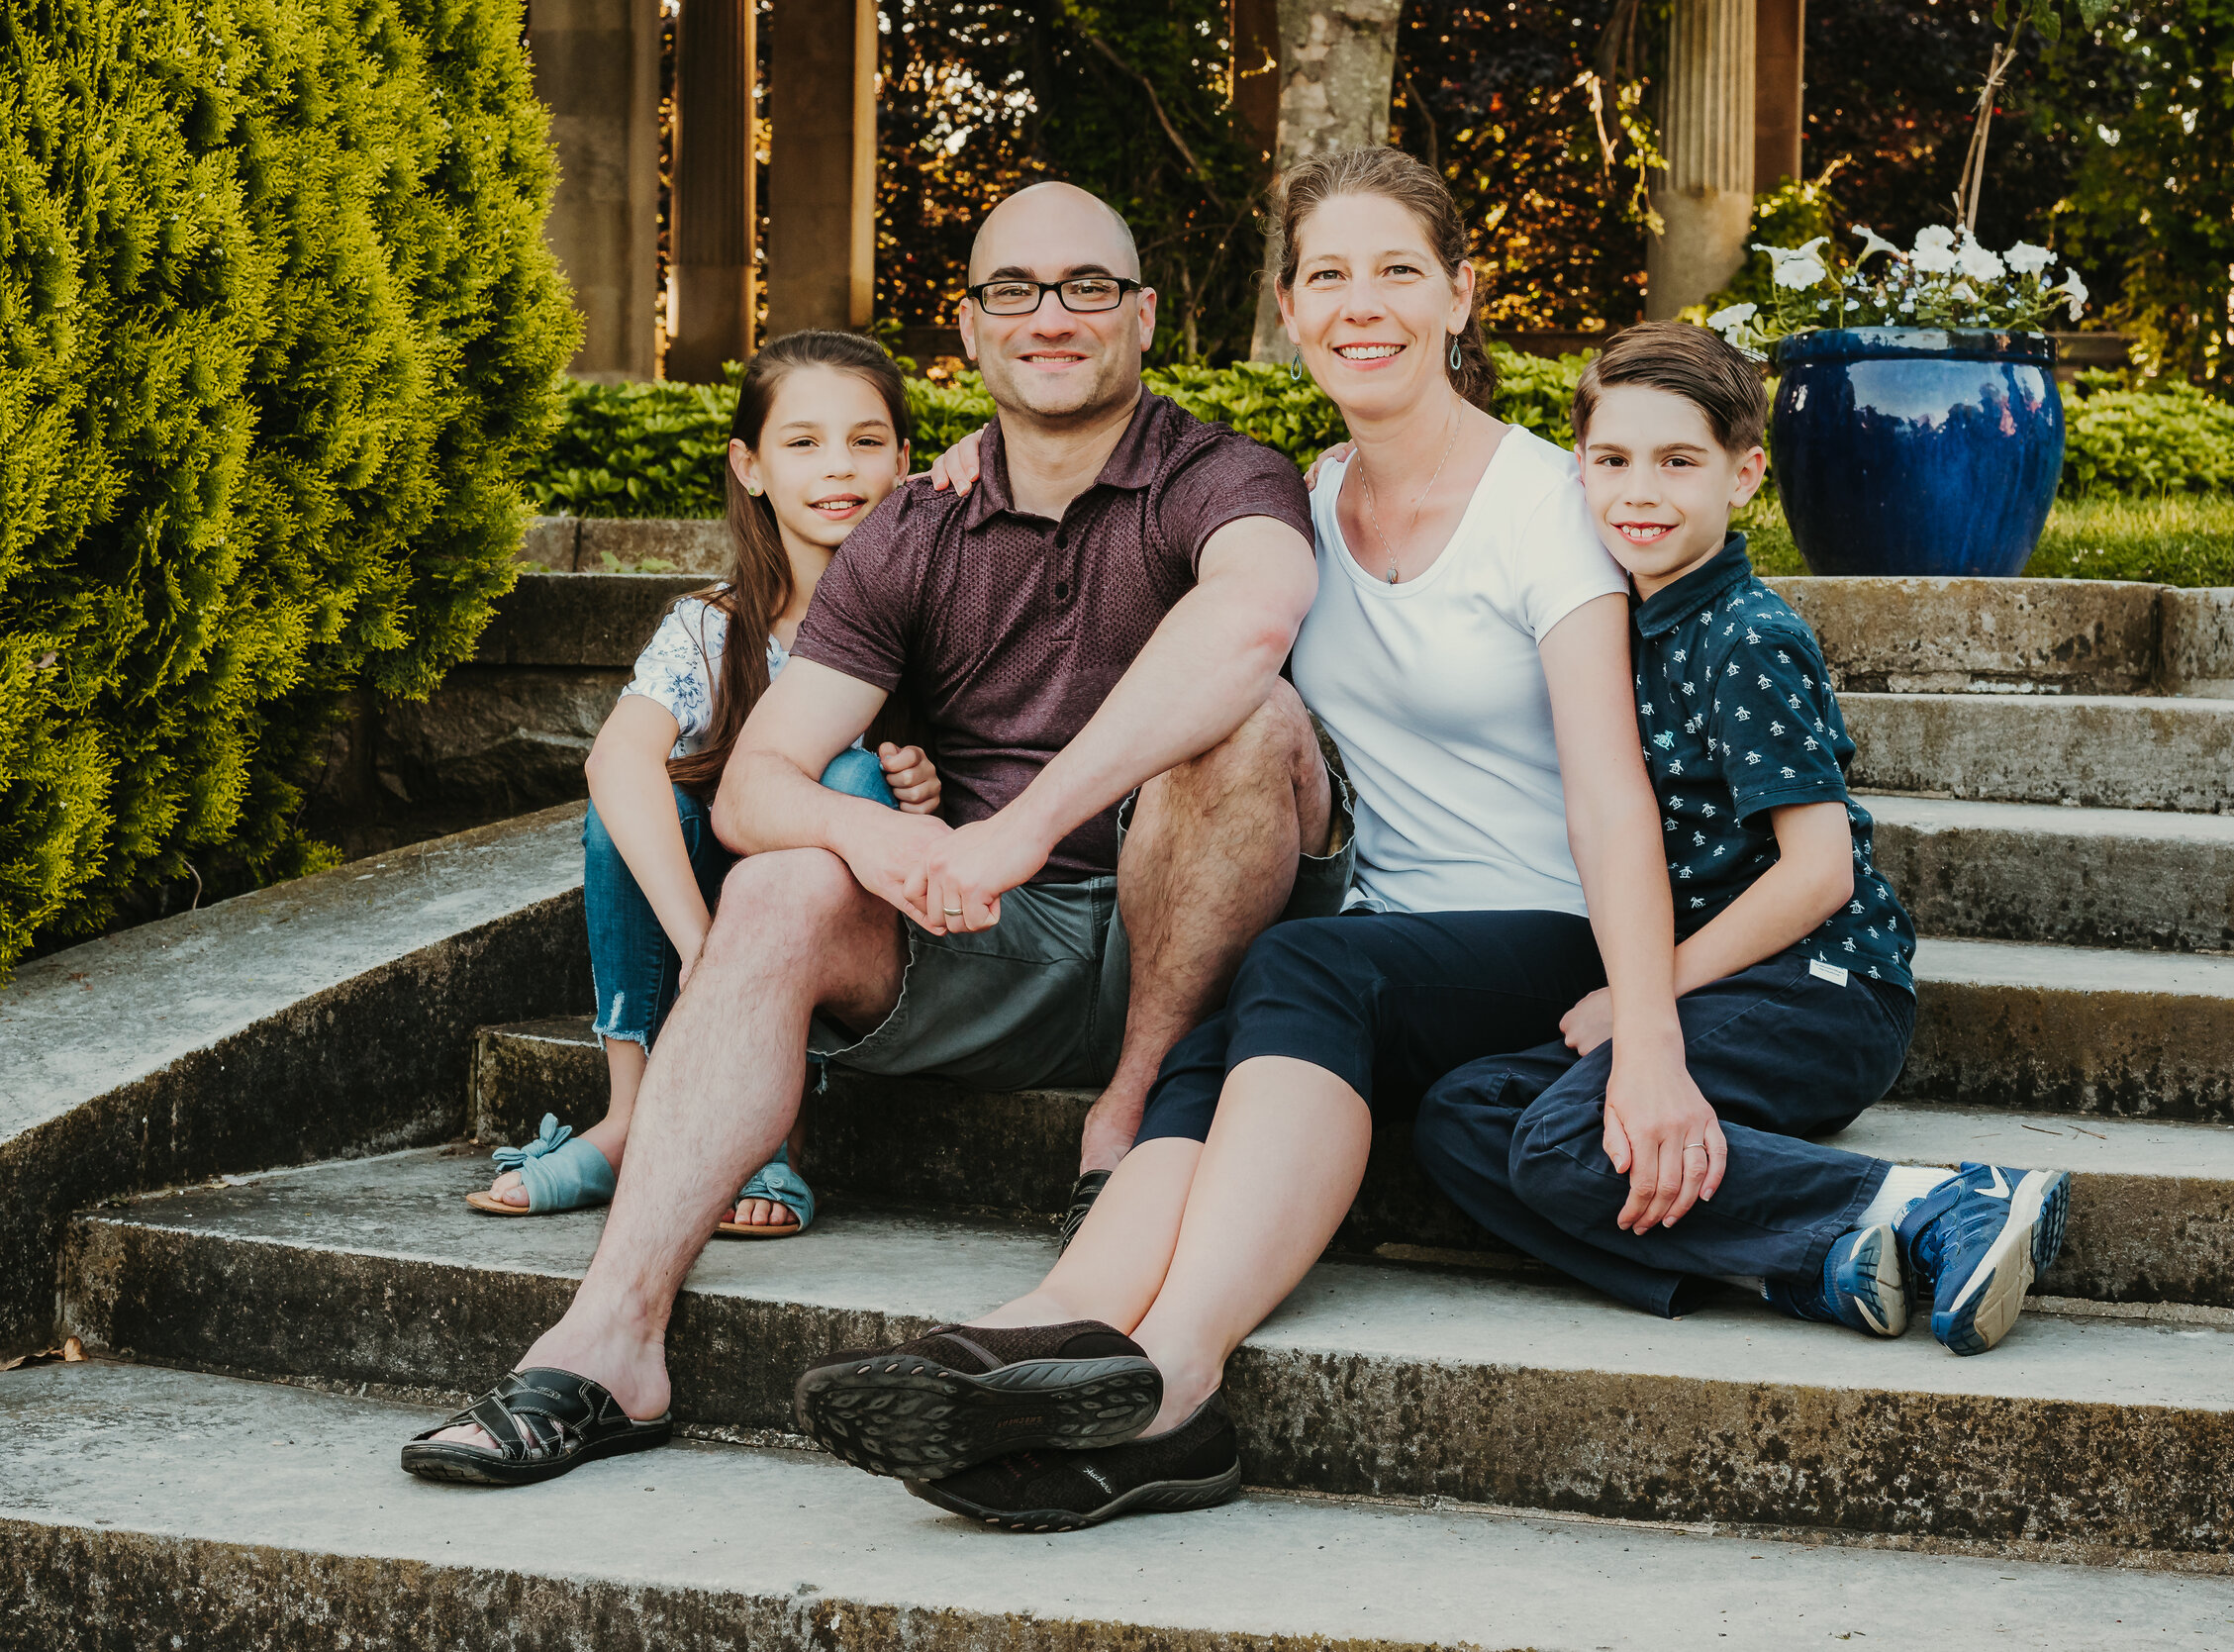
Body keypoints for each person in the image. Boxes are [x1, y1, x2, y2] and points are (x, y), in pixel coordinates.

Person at [795, 147, 1710, 1533]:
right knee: (1240, 1007)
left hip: (1540, 926)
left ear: (1463, 295)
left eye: (1399, 270)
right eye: (1328, 275)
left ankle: (1171, 1379)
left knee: (1300, 973)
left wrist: (1649, 1039)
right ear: (1288, 312)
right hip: (1377, 935)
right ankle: (1054, 1322)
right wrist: (977, 455)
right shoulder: (1304, 498)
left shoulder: (1548, 505)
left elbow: (1609, 792)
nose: (1364, 305)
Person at [401, 180, 1347, 1488]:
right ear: (968, 328)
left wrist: (1016, 830)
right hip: (981, 938)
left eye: (1087, 287)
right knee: (788, 876)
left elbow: (1251, 626)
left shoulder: (1223, 475)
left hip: (1192, 938)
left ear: (1140, 316)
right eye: (1015, 289)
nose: (1051, 316)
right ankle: (608, 1339)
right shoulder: (915, 522)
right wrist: (883, 843)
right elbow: (756, 782)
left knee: (1253, 723)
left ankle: (1121, 1123)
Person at [1412, 322, 2070, 1355]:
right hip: (1713, 989)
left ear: (1745, 474)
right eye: (1611, 461)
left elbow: (1816, 874)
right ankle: (1811, 1260)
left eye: (1679, 462)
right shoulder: (1605, 627)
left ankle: (1932, 1201)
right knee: (1459, 1115)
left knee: (1558, 1142)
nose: (1640, 491)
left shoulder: (1744, 639)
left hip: (1816, 991)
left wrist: (1645, 995)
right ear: (1575, 472)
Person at [466, 330, 941, 1236]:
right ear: (750, 465)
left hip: (873, 950)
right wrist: (706, 948)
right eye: (801, 442)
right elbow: (615, 758)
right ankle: (632, 1115)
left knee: (844, 773)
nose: (837, 466)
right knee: (631, 809)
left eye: (867, 440)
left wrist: (928, 783)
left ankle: (773, 1128)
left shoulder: (938, 613)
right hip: (721, 931)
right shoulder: (712, 627)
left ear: (905, 462)